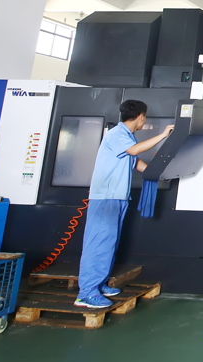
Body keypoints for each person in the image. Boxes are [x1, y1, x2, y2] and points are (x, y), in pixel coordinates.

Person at [74, 100, 173, 309]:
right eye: (144, 117)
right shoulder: (117, 134)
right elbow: (135, 151)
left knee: (108, 243)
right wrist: (163, 135)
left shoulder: (126, 137)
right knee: (98, 244)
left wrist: (161, 174)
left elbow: (135, 162)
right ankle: (86, 293)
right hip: (106, 198)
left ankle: (98, 284)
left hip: (117, 197)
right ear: (141, 116)